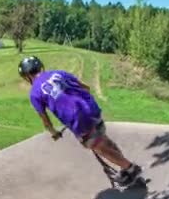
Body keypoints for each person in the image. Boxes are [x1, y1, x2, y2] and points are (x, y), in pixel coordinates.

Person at [18, 56, 142, 187]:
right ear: (40, 66)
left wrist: (54, 133)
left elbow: (46, 121)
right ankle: (124, 167)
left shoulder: (34, 93)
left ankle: (130, 168)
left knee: (98, 146)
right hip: (92, 109)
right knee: (104, 139)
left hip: (79, 120)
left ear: (26, 76)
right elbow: (86, 88)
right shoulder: (58, 73)